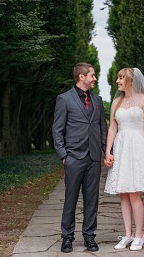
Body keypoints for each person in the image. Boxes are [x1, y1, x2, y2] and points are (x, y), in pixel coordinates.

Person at [104, 67, 144, 251]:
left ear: (130, 80)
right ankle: (127, 235)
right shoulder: (116, 102)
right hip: (121, 148)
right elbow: (112, 128)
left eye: (121, 78)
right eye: (117, 78)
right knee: (123, 192)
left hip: (138, 146)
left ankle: (139, 235)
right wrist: (108, 151)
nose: (118, 81)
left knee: (134, 193)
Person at [52, 62, 107, 253]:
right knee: (71, 199)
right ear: (81, 77)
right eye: (92, 75)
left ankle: (89, 236)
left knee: (92, 199)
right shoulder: (64, 99)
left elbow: (102, 129)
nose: (95, 78)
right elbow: (57, 130)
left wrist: (105, 151)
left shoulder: (98, 100)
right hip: (73, 157)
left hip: (94, 157)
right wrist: (63, 156)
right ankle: (67, 237)